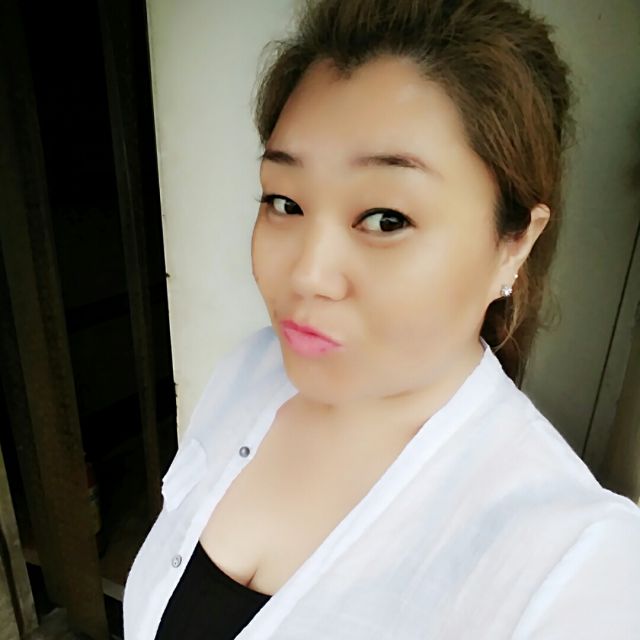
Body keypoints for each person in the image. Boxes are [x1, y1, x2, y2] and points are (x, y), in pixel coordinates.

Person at [123, 0, 640, 638]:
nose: (307, 274)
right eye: (284, 202)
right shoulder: (248, 372)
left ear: (514, 244)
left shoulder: (571, 567)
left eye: (386, 219)